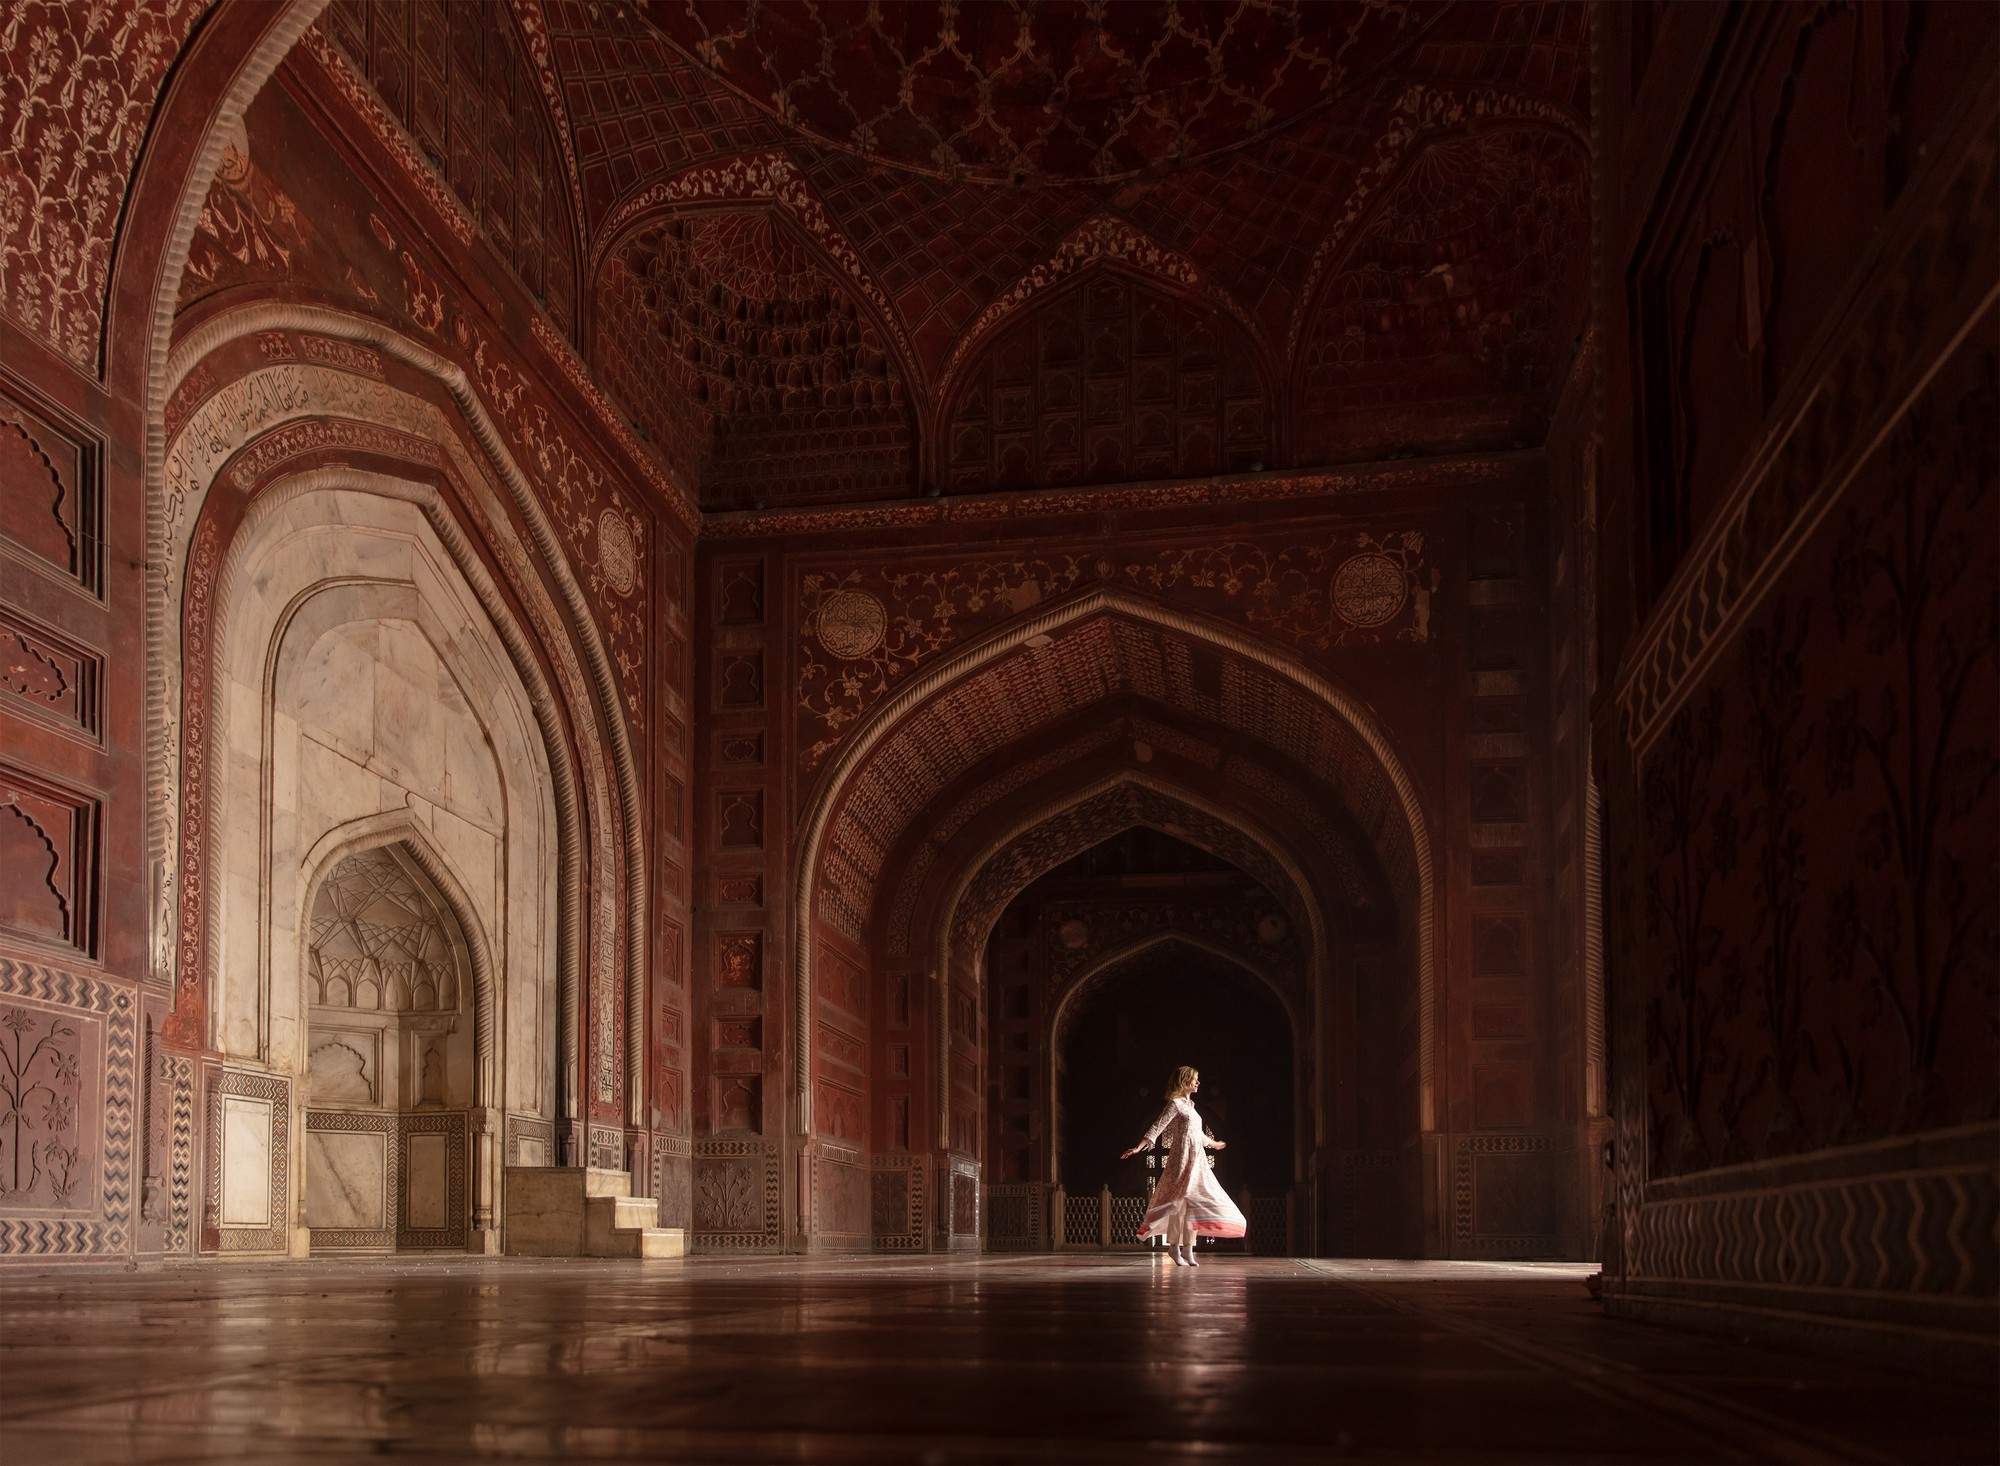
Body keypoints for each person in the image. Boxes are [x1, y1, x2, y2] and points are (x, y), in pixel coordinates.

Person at [1120, 1065, 1247, 1266]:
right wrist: (1138, 1147)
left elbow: (1199, 1133)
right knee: (1181, 1201)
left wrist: (1213, 1143)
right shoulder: (1176, 1104)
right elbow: (1157, 1126)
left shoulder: (1191, 1107)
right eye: (1195, 1079)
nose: (1198, 1083)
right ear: (1185, 1081)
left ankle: (1188, 1249)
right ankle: (1174, 1247)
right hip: (1181, 1157)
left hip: (1197, 1159)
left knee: (1193, 1203)